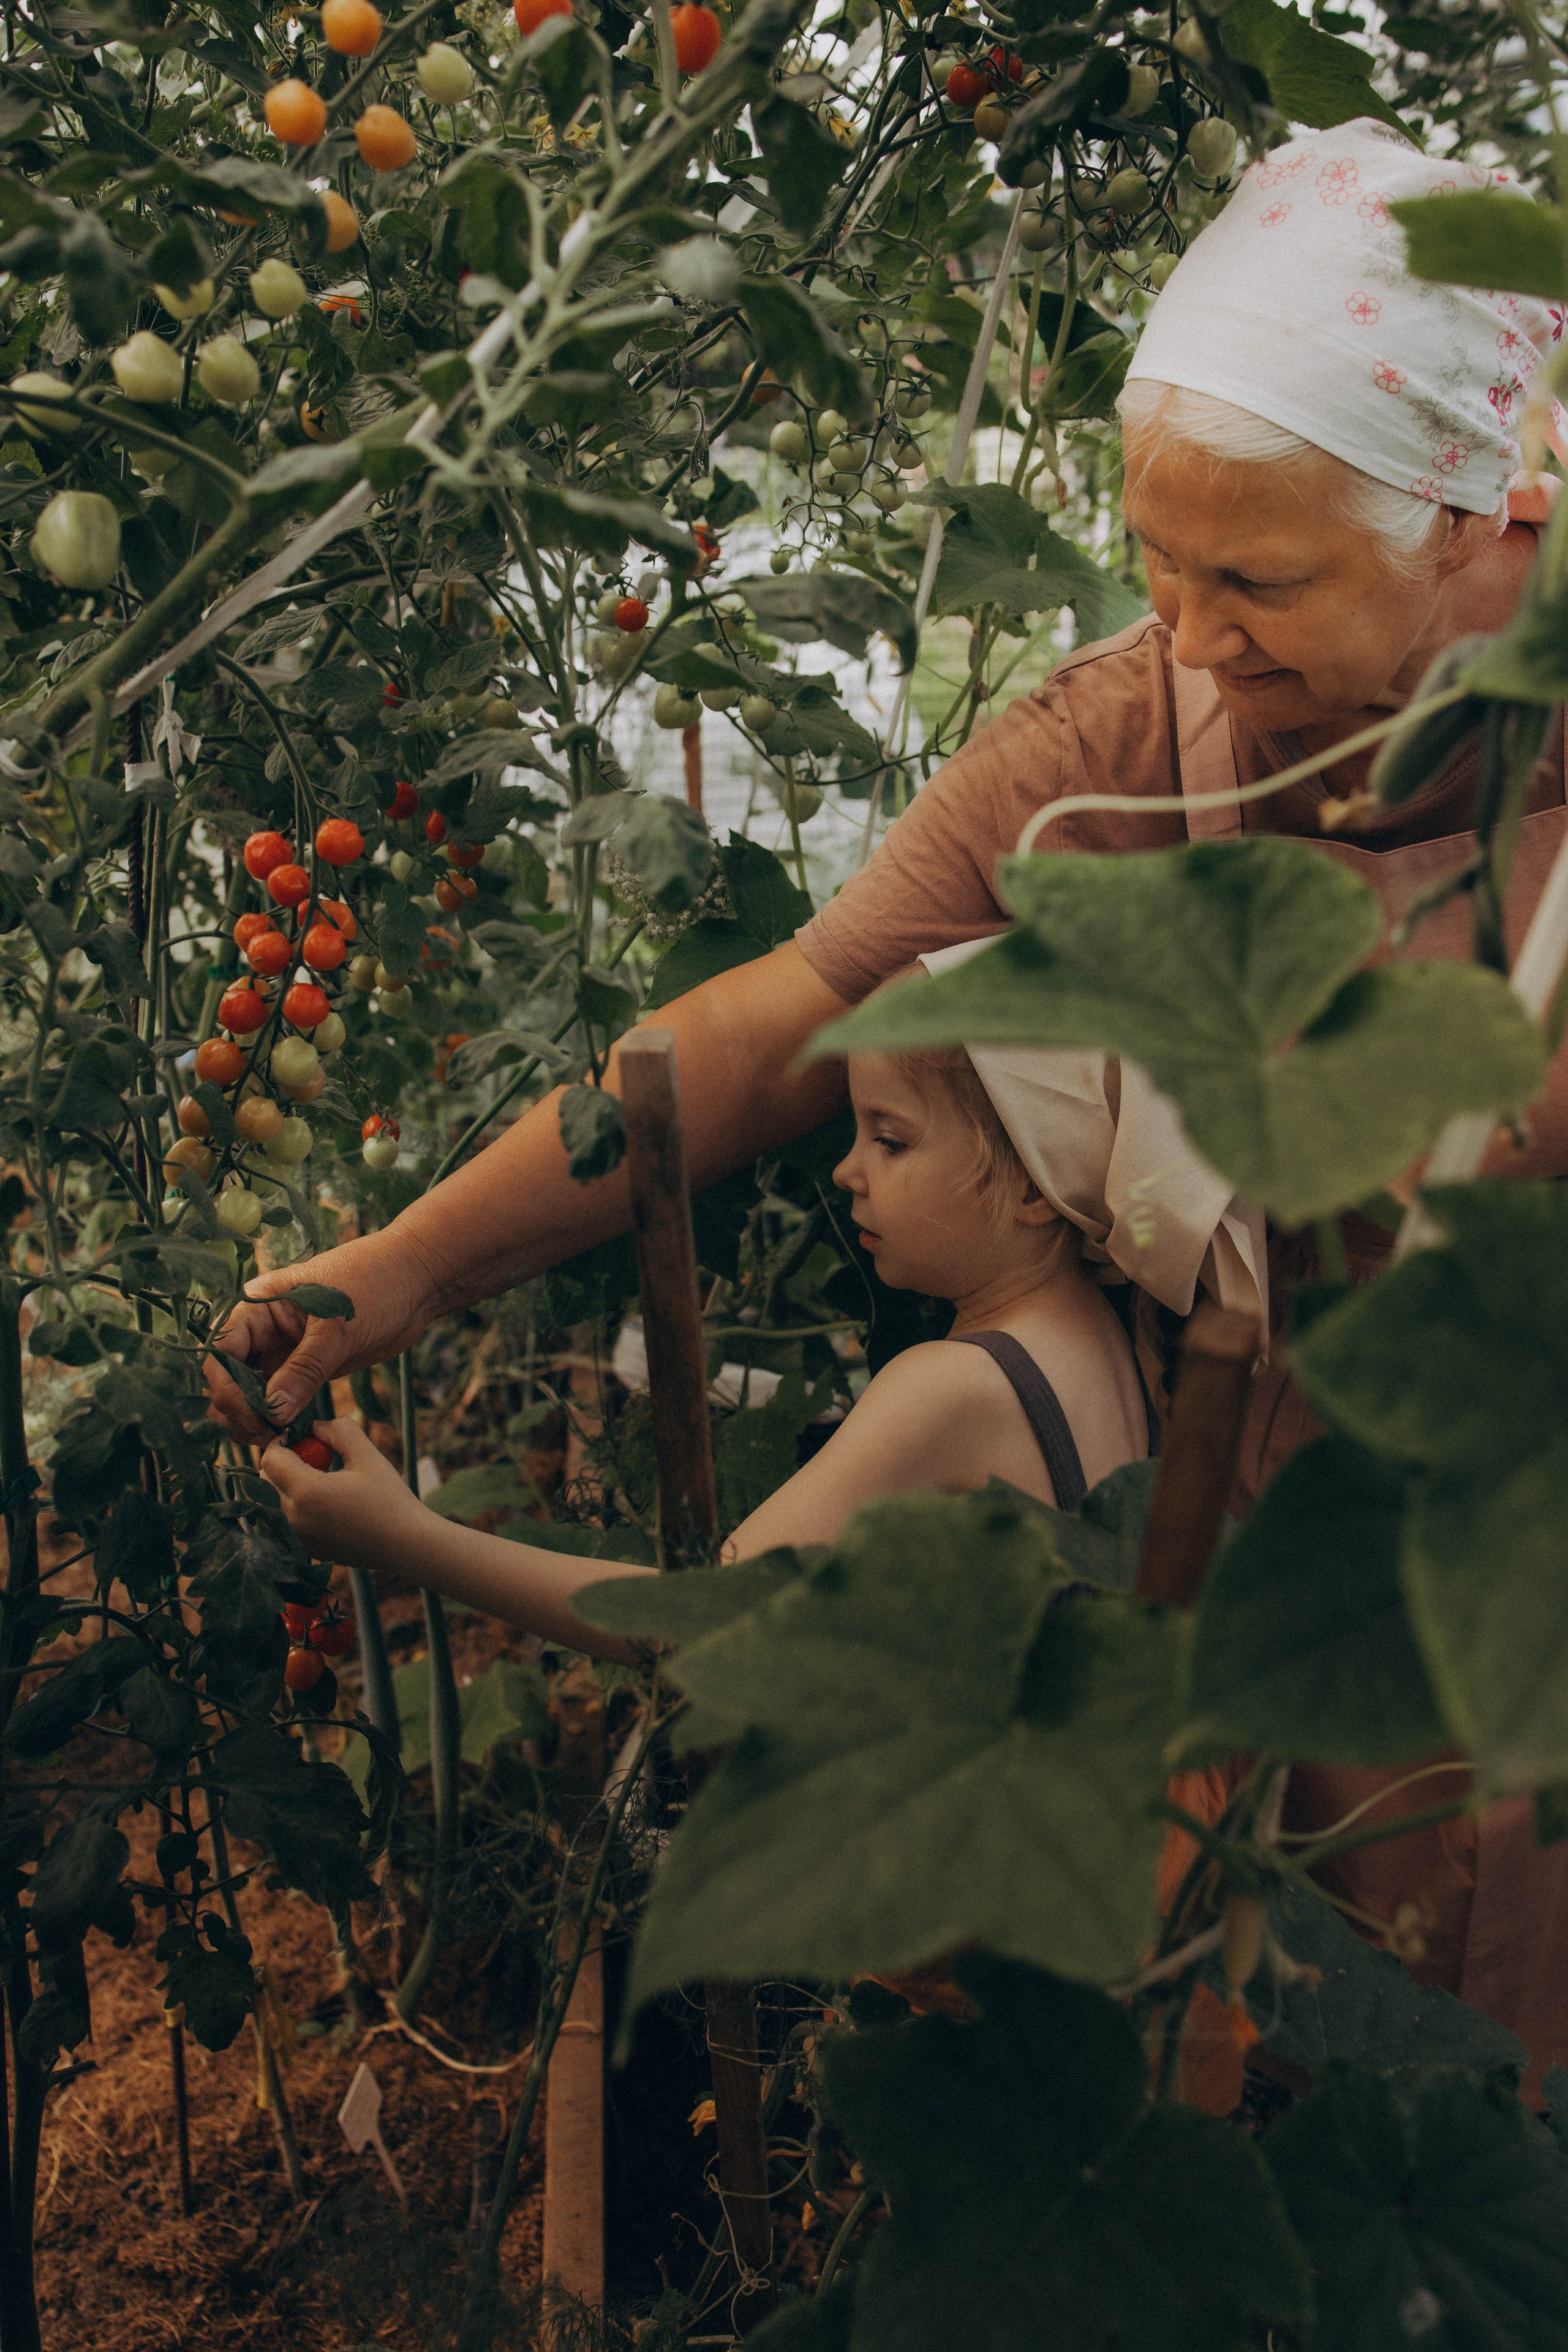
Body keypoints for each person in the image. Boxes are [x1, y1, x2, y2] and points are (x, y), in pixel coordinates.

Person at [220, 118, 1568, 2078]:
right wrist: (415, 1265)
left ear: (1476, 525)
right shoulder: (1135, 732)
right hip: (1258, 1541)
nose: (1187, 632)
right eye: (1157, 563)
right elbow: (780, 1025)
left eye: (1254, 577)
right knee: (1285, 2097)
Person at [263, 1009, 1256, 1651]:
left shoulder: (953, 1388)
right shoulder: (1116, 1333)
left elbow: (693, 1631)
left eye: (892, 1139)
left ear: (1040, 1186)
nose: (847, 1170)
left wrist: (404, 1537)